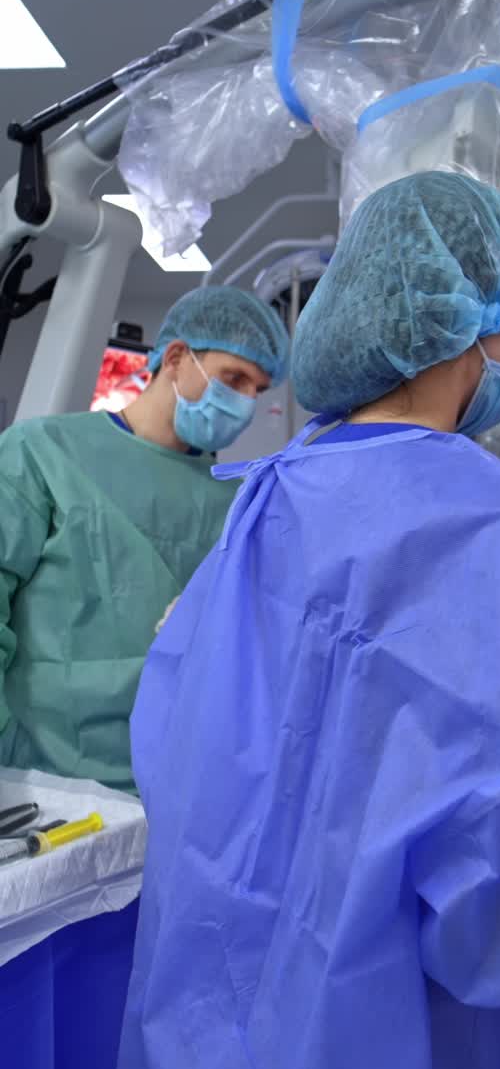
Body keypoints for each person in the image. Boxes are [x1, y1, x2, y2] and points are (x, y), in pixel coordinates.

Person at [116, 172, 500, 1069]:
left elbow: (177, 743)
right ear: (480, 329)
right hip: (397, 1024)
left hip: (210, 1002)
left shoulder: (266, 496)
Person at [0, 285, 288, 792]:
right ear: (176, 356)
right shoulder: (42, 453)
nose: (244, 403)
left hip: (168, 781)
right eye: (234, 378)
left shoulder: (233, 499)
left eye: (257, 390)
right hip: (38, 775)